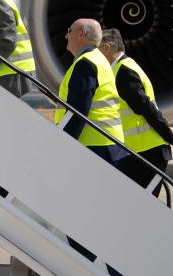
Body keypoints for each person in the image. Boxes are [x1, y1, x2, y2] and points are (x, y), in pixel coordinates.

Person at [54, 18, 127, 276]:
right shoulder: (100, 61)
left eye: (70, 31)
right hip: (107, 147)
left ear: (82, 35)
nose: (66, 36)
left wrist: (60, 145)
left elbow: (78, 113)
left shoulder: (85, 65)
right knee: (97, 220)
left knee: (80, 221)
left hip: (94, 148)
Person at [99, 28, 173, 195]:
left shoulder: (123, 72)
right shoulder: (124, 67)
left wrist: (168, 136)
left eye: (97, 49)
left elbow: (146, 107)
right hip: (140, 150)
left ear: (107, 47)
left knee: (139, 205)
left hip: (148, 150)